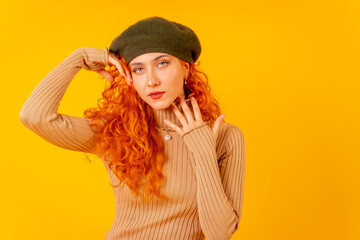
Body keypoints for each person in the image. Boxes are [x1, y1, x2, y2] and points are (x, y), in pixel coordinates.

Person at [19, 16, 246, 240]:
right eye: (138, 69)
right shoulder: (117, 131)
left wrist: (204, 151)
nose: (151, 81)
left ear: (185, 68)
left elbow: (219, 234)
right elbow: (34, 116)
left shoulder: (225, 137)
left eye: (162, 63)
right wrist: (80, 57)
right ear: (130, 77)